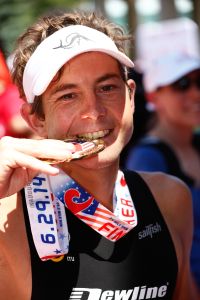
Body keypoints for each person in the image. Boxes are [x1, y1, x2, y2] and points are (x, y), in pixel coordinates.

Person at [0, 11, 198, 300]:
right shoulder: (7, 214)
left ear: (131, 97)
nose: (93, 111)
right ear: (36, 119)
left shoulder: (170, 198)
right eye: (68, 95)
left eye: (107, 88)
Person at [125, 52, 200, 291]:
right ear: (152, 96)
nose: (196, 93)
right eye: (182, 85)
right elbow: (150, 248)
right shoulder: (146, 159)